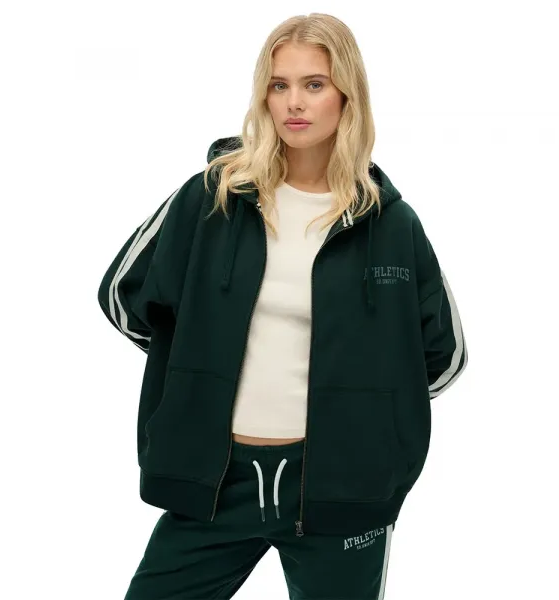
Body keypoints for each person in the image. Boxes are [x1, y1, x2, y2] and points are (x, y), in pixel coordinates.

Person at [97, 12, 468, 600]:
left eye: (314, 84)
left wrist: (368, 418)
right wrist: (194, 368)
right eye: (279, 85)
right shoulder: (212, 197)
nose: (294, 102)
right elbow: (125, 295)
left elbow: (442, 355)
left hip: (340, 490)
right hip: (215, 482)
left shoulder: (391, 223)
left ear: (347, 95)